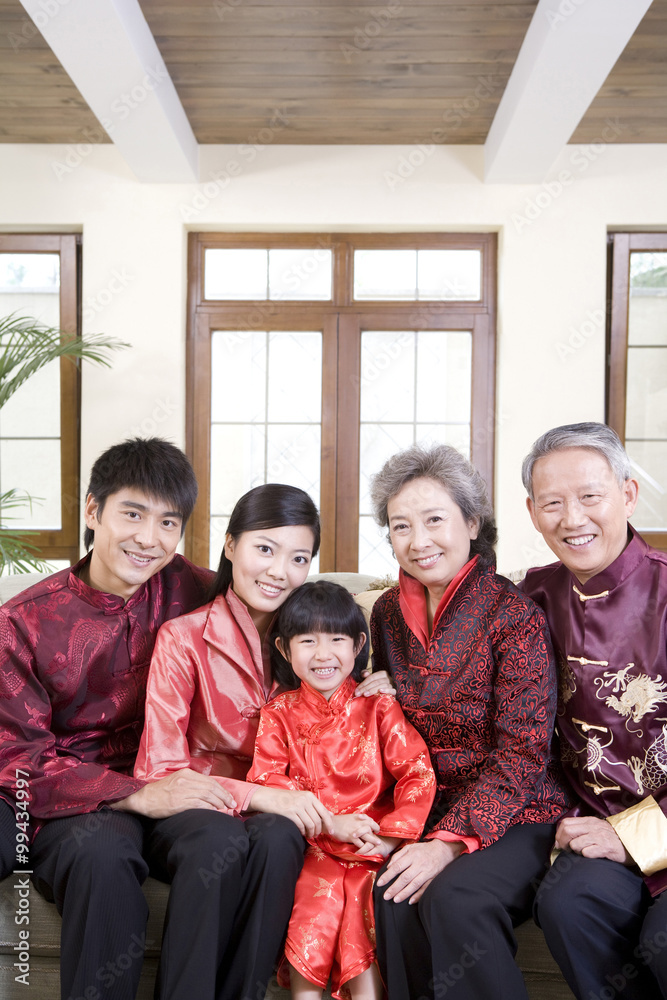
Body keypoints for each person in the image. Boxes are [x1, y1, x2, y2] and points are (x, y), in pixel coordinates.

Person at [0, 437, 240, 1000]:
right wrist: (133, 794)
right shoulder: (24, 622)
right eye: (132, 514)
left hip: (179, 778)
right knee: (101, 855)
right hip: (79, 798)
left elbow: (286, 629)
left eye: (167, 522)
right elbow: (19, 760)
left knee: (225, 838)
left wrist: (363, 676)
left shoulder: (198, 591)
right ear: (92, 510)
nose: (148, 539)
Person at [134, 485, 388, 998]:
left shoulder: (313, 649)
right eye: (264, 549)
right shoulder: (183, 638)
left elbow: (349, 736)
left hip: (285, 818)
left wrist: (372, 690)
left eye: (298, 558)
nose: (279, 571)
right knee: (223, 840)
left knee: (278, 838)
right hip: (194, 811)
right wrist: (263, 796)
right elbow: (159, 769)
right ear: (230, 547)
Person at [368, 443, 570, 1000]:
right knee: (389, 892)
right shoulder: (387, 612)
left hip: (516, 811)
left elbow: (524, 754)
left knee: (455, 897)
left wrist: (450, 843)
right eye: (400, 525)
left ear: (472, 521)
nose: (418, 540)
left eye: (435, 520)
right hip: (422, 803)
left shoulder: (515, 615)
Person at [521, 422, 667, 1000]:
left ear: (627, 495)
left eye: (590, 497)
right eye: (553, 503)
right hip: (587, 831)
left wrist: (632, 837)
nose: (572, 519)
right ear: (533, 512)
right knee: (566, 904)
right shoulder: (529, 598)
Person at [246, 580, 436, 1000]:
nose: (323, 654)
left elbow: (417, 772)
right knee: (313, 910)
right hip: (315, 843)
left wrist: (390, 837)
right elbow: (266, 780)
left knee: (362, 907)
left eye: (336, 639)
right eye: (307, 641)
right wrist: (330, 823)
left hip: (374, 844)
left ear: (358, 645)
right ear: (283, 649)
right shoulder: (278, 713)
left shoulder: (379, 704)